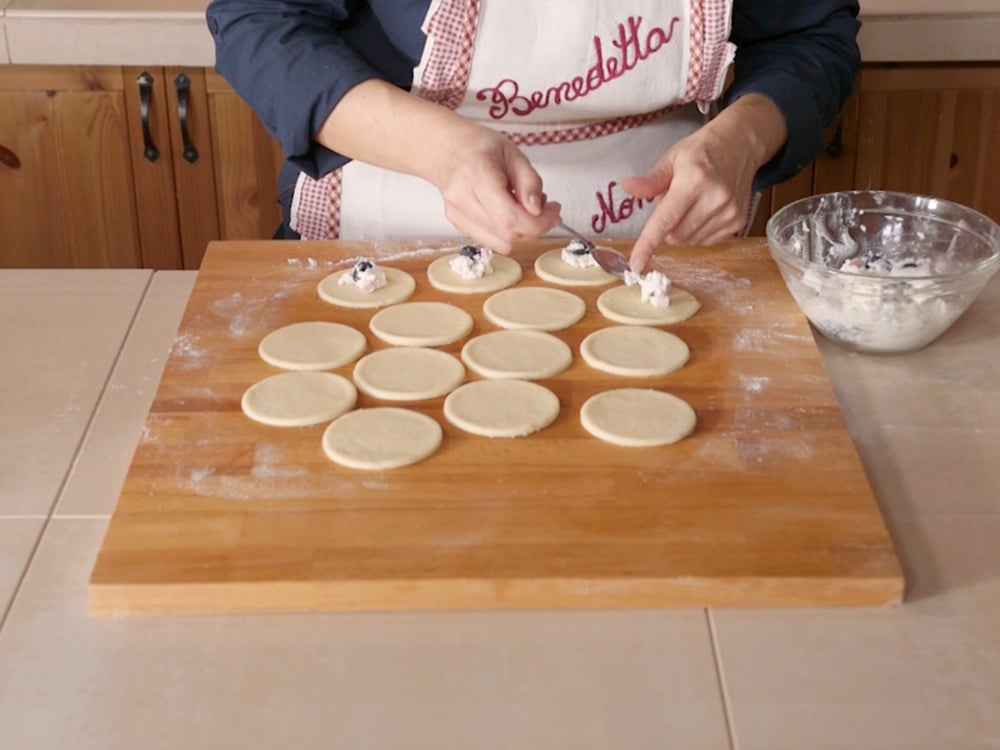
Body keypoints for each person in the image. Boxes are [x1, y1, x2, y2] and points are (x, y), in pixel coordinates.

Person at [206, 1, 860, 272]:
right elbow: (259, 20)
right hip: (385, 229)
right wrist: (442, 149)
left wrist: (740, 142)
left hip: (660, 252)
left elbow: (813, 35)